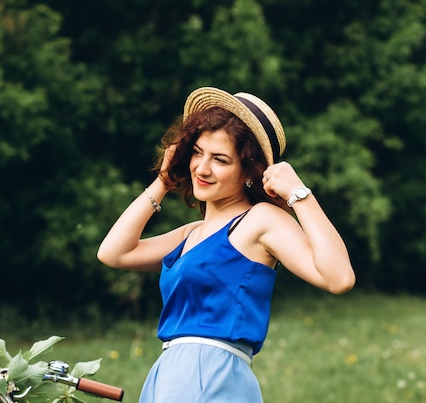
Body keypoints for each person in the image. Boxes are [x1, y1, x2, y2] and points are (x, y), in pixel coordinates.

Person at [97, 87, 355, 402]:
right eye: (197, 152)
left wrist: (299, 194)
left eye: (220, 159)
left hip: (210, 376)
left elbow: (339, 277)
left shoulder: (260, 221)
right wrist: (164, 180)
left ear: (248, 169)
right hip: (168, 374)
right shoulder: (190, 233)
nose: (202, 168)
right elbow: (113, 252)